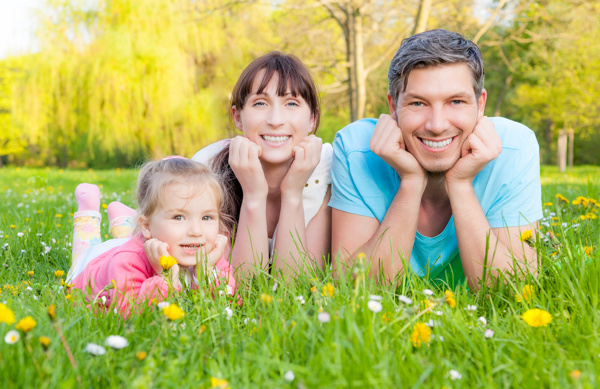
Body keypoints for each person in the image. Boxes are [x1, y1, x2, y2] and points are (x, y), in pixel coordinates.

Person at [330, 29, 542, 290]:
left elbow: (513, 290)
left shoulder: (515, 149)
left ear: (481, 104)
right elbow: (353, 289)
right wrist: (410, 182)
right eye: (418, 103)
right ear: (393, 106)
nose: (437, 125)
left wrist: (461, 185)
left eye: (456, 101)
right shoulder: (355, 150)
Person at [193, 52, 332, 278]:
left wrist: (293, 192)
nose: (275, 120)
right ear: (237, 117)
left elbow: (292, 286)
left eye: (291, 103)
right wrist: (254, 195)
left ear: (313, 118)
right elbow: (242, 285)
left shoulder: (327, 171)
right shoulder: (207, 169)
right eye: (260, 103)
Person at [67, 157, 235, 315]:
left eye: (207, 217)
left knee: (125, 241)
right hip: (89, 265)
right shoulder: (126, 261)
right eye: (178, 217)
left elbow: (229, 303)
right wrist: (165, 277)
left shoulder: (208, 253)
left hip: (139, 242)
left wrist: (206, 273)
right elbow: (131, 313)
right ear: (146, 226)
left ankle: (123, 221)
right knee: (85, 250)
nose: (196, 231)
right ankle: (87, 213)